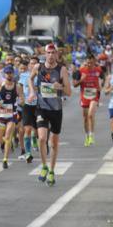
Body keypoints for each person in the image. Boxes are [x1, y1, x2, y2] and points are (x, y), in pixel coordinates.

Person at [30, 43, 72, 186]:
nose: (51, 55)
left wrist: (60, 87)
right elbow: (30, 79)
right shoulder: (38, 67)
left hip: (56, 109)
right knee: (42, 138)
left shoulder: (62, 70)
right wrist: (31, 92)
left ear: (57, 54)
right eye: (48, 53)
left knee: (53, 143)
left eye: (53, 53)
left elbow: (69, 92)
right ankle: (44, 166)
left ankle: (52, 170)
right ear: (45, 54)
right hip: (42, 107)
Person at [0, 66, 21, 169]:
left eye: (10, 73)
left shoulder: (17, 86)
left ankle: (5, 160)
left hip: (12, 115)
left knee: (7, 137)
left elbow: (22, 99)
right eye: (7, 73)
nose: (9, 75)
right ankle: (5, 143)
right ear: (4, 74)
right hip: (1, 115)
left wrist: (20, 101)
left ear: (13, 73)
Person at [74, 52, 102, 147]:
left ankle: (91, 135)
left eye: (91, 63)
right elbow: (75, 84)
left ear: (94, 62)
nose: (90, 64)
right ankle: (86, 136)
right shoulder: (81, 70)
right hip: (84, 96)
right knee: (85, 118)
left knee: (90, 115)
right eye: (88, 63)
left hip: (94, 95)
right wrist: (82, 79)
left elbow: (105, 77)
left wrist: (102, 86)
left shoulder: (98, 70)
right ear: (86, 62)